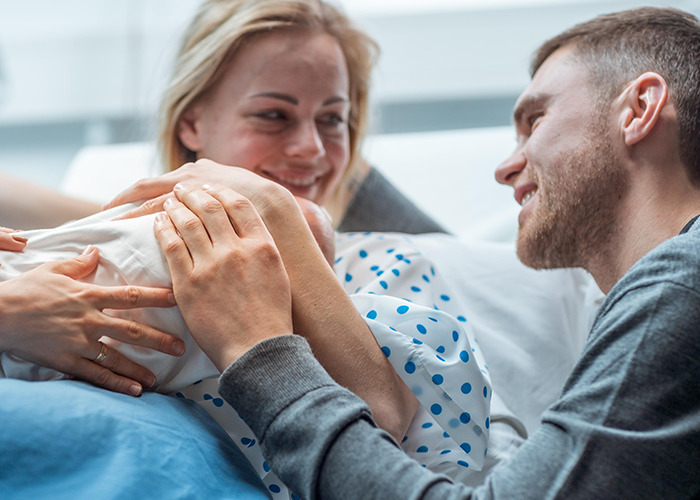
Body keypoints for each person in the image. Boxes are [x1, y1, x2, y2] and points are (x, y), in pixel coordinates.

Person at [154, 7, 700, 499]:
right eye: (273, 115)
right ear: (191, 122)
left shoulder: (676, 285)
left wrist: (261, 351)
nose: (505, 167)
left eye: (535, 120)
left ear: (640, 109)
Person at [0, 0, 444, 235]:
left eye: (333, 119)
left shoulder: (396, 254)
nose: (312, 147)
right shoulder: (131, 245)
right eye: (273, 115)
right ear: (191, 123)